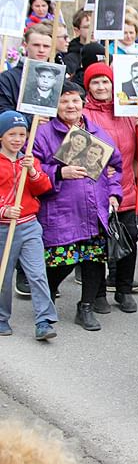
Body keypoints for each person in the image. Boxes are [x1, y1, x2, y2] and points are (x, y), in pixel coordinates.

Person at [35, 81, 123, 332]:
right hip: (61, 209)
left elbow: (115, 167)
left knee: (94, 261)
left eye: (75, 100)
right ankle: (47, 300)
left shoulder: (97, 133)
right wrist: (60, 172)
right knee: (60, 262)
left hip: (93, 209)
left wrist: (115, 193)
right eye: (64, 101)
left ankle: (85, 307)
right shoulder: (42, 134)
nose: (70, 105)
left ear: (83, 103)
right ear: (56, 105)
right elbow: (33, 169)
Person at [83, 62, 138, 309]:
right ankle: (98, 292)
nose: (101, 87)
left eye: (105, 82)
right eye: (95, 82)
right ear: (88, 86)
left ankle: (123, 287)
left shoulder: (128, 111)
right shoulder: (84, 114)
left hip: (126, 187)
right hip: (96, 190)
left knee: (129, 236)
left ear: (113, 85)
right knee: (98, 242)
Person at [0, 111, 58, 340]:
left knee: (37, 273)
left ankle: (44, 321)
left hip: (29, 225)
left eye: (22, 134)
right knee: (3, 276)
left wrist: (33, 172)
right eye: (11, 134)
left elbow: (44, 188)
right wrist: (3, 210)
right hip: (4, 228)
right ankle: (2, 318)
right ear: (1, 136)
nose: (17, 139)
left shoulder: (30, 159)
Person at [0, 25, 54, 124]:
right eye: (36, 45)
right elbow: (3, 111)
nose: (41, 50)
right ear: (25, 45)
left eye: (46, 46)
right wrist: (29, 121)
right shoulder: (7, 78)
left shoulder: (59, 79)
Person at [64, 10, 92, 79]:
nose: (92, 30)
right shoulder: (70, 58)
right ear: (77, 30)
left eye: (95, 26)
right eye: (87, 27)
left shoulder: (106, 52)